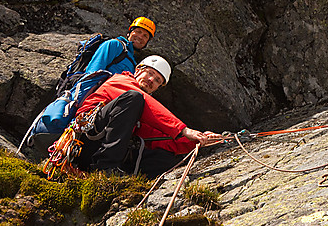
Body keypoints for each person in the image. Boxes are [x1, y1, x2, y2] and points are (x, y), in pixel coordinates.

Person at [74, 55, 223, 177]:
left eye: (158, 80)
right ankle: (105, 168)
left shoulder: (140, 109)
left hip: (99, 150)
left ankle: (120, 174)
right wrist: (183, 130)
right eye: (150, 73)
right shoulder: (120, 81)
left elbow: (157, 136)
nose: (152, 80)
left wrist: (197, 140)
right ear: (138, 70)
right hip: (85, 141)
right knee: (134, 98)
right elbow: (144, 102)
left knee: (166, 159)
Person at [83, 16, 157, 77]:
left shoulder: (134, 64)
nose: (140, 37)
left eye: (145, 36)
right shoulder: (115, 45)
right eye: (138, 31)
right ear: (129, 33)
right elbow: (93, 72)